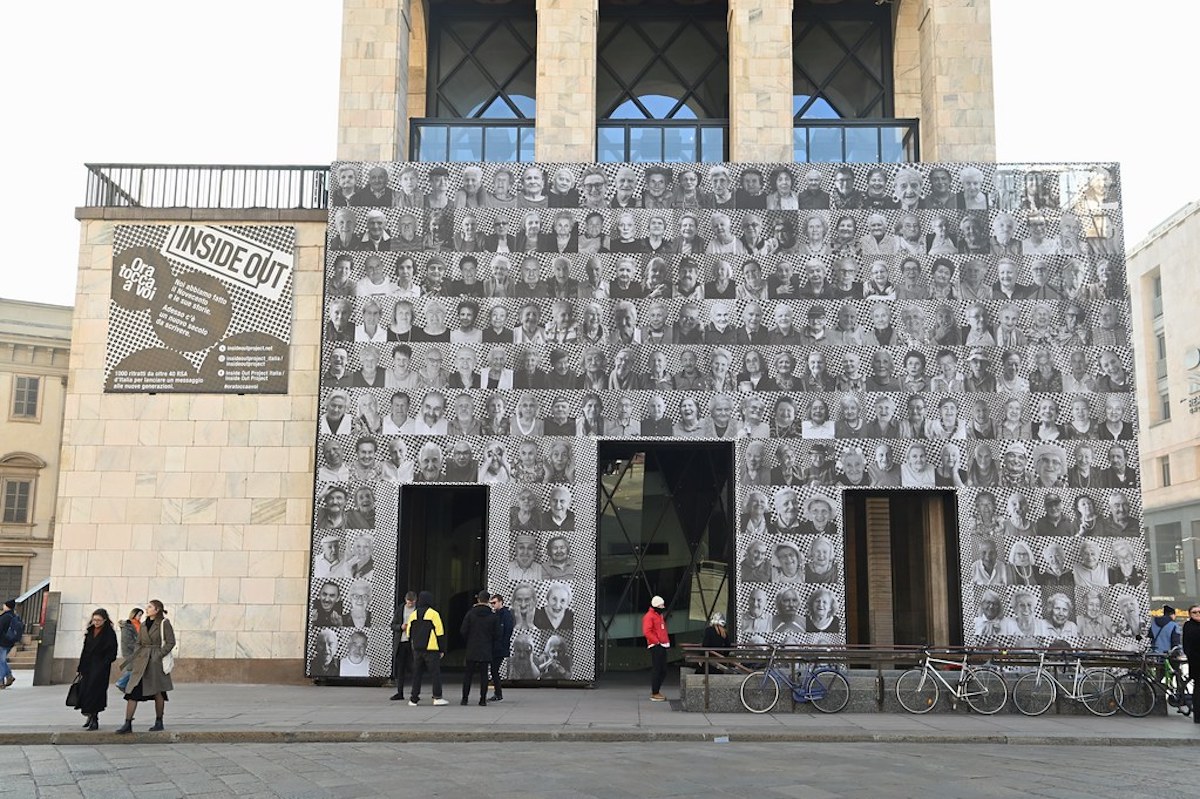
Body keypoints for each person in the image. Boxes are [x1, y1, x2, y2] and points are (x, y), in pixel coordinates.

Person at [116, 599, 174, 734]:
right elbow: (139, 642)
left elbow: (170, 642)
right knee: (132, 691)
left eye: (150, 607)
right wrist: (138, 654)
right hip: (142, 661)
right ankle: (127, 723)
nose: (147, 609)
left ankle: (159, 721)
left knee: (158, 691)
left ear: (157, 609)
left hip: (155, 662)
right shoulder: (143, 625)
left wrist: (158, 655)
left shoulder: (164, 623)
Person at [74, 608, 118, 731]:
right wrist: (80, 667)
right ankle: (89, 715)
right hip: (88, 666)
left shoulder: (109, 633)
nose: (96, 622)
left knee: (96, 692)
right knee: (86, 691)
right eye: (94, 620)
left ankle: (95, 718)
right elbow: (85, 650)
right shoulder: (90, 631)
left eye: (99, 620)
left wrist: (104, 663)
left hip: (100, 668)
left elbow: (112, 652)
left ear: (104, 620)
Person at [407, 590, 449, 706]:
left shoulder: (413, 614)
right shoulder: (434, 614)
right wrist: (442, 649)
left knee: (417, 674)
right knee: (435, 674)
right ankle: (437, 697)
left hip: (417, 649)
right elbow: (440, 633)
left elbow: (409, 633)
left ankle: (413, 698)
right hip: (431, 649)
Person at [459, 590, 499, 707]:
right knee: (484, 676)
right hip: (486, 648)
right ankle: (482, 699)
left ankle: (465, 699)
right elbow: (497, 634)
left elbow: (463, 631)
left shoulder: (470, 614)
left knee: (468, 675)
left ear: (478, 600)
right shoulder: (493, 616)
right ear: (488, 601)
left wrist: (469, 640)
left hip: (472, 648)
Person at [390, 591, 417, 701]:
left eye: (412, 602)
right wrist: (400, 627)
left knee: (414, 668)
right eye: (408, 602)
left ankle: (415, 693)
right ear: (405, 600)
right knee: (400, 669)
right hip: (401, 641)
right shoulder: (400, 609)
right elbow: (393, 624)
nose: (410, 604)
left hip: (413, 643)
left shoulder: (418, 610)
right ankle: (399, 692)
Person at [643, 596, 670, 701]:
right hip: (656, 645)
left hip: (661, 644)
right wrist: (656, 641)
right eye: (661, 605)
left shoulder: (658, 615)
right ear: (657, 606)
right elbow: (647, 631)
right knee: (658, 669)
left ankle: (656, 691)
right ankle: (655, 692)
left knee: (662, 670)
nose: (663, 607)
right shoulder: (650, 616)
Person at [488, 594, 514, 702]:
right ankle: (498, 693)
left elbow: (507, 631)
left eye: (494, 603)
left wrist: (501, 644)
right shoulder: (497, 614)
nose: (493, 605)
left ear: (500, 602)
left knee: (494, 670)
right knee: (494, 670)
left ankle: (498, 693)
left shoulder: (505, 615)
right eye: (491, 603)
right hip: (497, 647)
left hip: (499, 647)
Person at [114, 607, 143, 692]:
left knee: (134, 668)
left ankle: (126, 684)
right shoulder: (128, 625)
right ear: (134, 614)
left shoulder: (139, 624)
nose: (140, 617)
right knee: (133, 668)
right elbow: (128, 640)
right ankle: (121, 683)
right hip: (130, 651)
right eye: (139, 615)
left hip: (137, 650)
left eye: (141, 615)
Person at [1182, 604, 1200, 724]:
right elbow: (1186, 646)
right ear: (1190, 614)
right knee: (1198, 689)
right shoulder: (1188, 626)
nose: (1198, 614)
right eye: (1195, 612)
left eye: (1199, 612)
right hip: (1196, 662)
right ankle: (1198, 716)